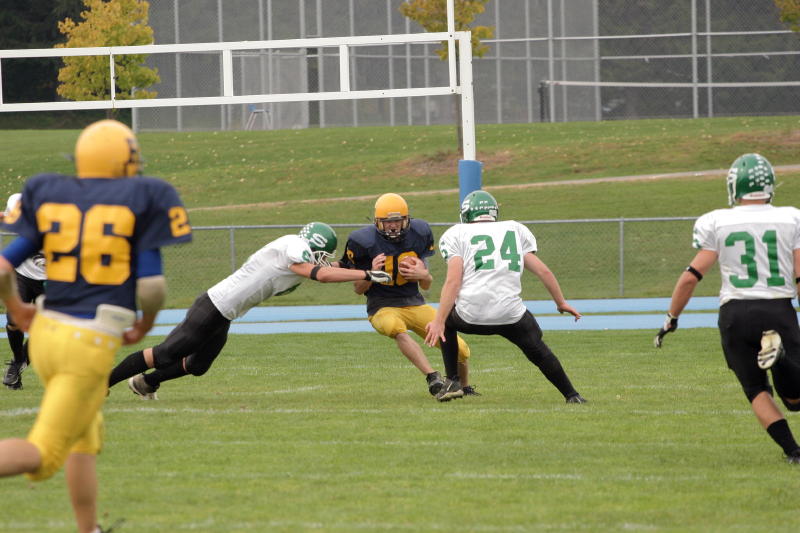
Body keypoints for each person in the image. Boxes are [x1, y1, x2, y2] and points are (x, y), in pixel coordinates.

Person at [0, 119, 192, 533]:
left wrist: (16, 308)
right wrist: (146, 325)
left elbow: (2, 267)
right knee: (44, 453)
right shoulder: (143, 198)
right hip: (86, 344)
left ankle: (89, 529)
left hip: (48, 334)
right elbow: (153, 287)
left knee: (85, 439)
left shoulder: (52, 195)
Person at [108, 222, 392, 399]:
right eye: (322, 254)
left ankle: (145, 382)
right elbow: (320, 274)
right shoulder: (293, 247)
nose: (324, 260)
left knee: (197, 365)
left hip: (225, 313)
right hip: (214, 305)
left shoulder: (298, 251)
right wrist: (365, 275)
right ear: (315, 246)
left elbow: (330, 269)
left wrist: (364, 268)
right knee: (166, 353)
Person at [655, 153, 800, 464]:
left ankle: (794, 452)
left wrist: (672, 318)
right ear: (770, 186)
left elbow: (690, 279)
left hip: (735, 315)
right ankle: (782, 358)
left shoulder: (717, 220)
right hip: (777, 309)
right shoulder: (791, 217)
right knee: (795, 399)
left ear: (735, 187)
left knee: (755, 390)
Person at [424, 190, 586, 404]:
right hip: (512, 316)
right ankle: (572, 395)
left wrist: (438, 321)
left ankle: (453, 380)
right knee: (538, 349)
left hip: (471, 316)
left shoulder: (456, 233)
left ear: (467, 214)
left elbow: (453, 282)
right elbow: (543, 271)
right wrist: (561, 302)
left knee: (446, 322)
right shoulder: (515, 229)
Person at [339, 193, 475, 397]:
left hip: (413, 303)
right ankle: (432, 377)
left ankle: (465, 388)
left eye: (397, 220)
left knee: (462, 350)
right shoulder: (362, 241)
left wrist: (423, 274)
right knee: (395, 328)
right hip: (381, 305)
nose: (393, 226)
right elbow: (358, 289)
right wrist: (371, 274)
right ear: (377, 222)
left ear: (406, 220)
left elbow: (426, 284)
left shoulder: (419, 233)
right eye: (387, 222)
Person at [2, 193, 46, 390]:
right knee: (13, 321)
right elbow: (8, 216)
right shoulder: (19, 204)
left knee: (49, 327)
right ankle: (18, 362)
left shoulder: (67, 221)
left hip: (54, 280)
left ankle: (21, 362)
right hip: (23, 274)